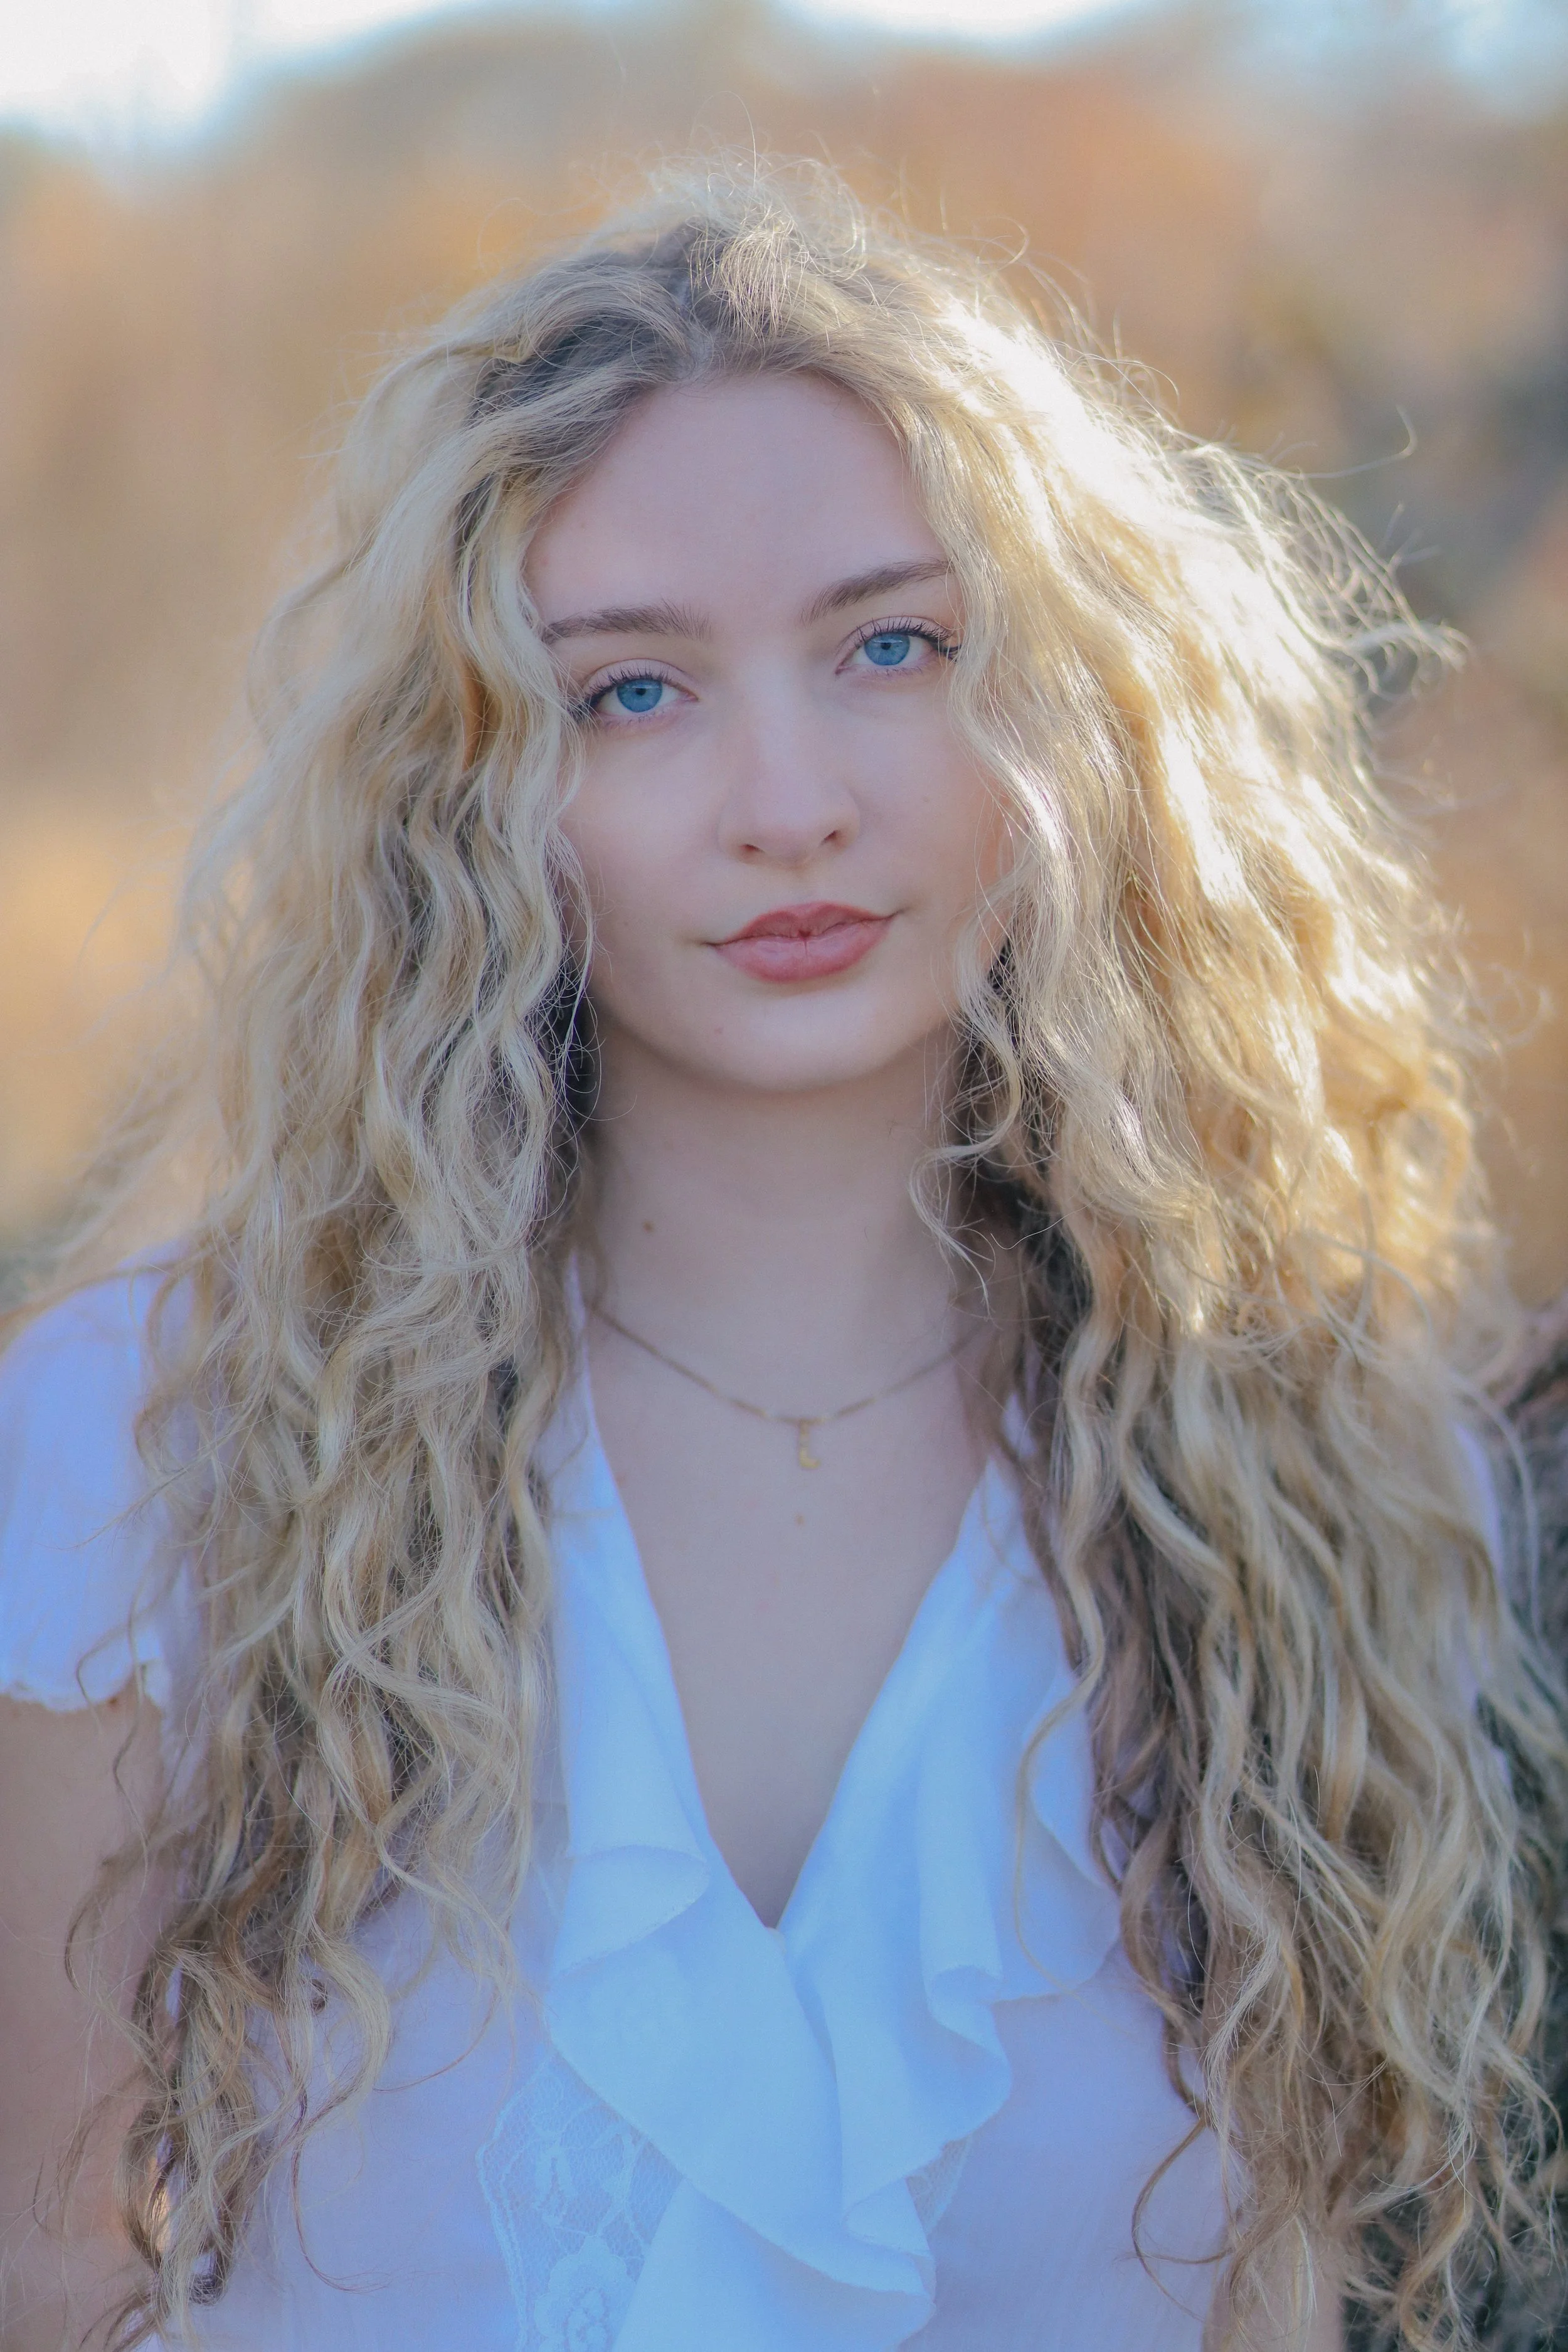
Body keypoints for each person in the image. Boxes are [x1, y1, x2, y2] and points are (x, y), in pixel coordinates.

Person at [0, 159, 1559, 2352]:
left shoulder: (1330, 1494)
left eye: (894, 647)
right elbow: (49, 2275)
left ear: (1079, 721)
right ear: (474, 786)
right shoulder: (136, 1452)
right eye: (631, 694)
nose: (789, 798)